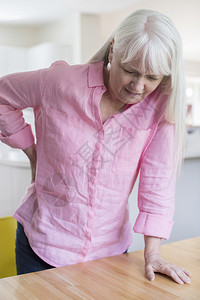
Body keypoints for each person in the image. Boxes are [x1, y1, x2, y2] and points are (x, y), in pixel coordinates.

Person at [0, 9, 191, 284]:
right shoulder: (59, 83)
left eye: (153, 77)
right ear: (113, 51)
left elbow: (158, 183)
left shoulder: (159, 108)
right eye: (130, 71)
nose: (138, 86)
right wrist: (31, 152)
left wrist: (153, 254)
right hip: (41, 245)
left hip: (110, 251)